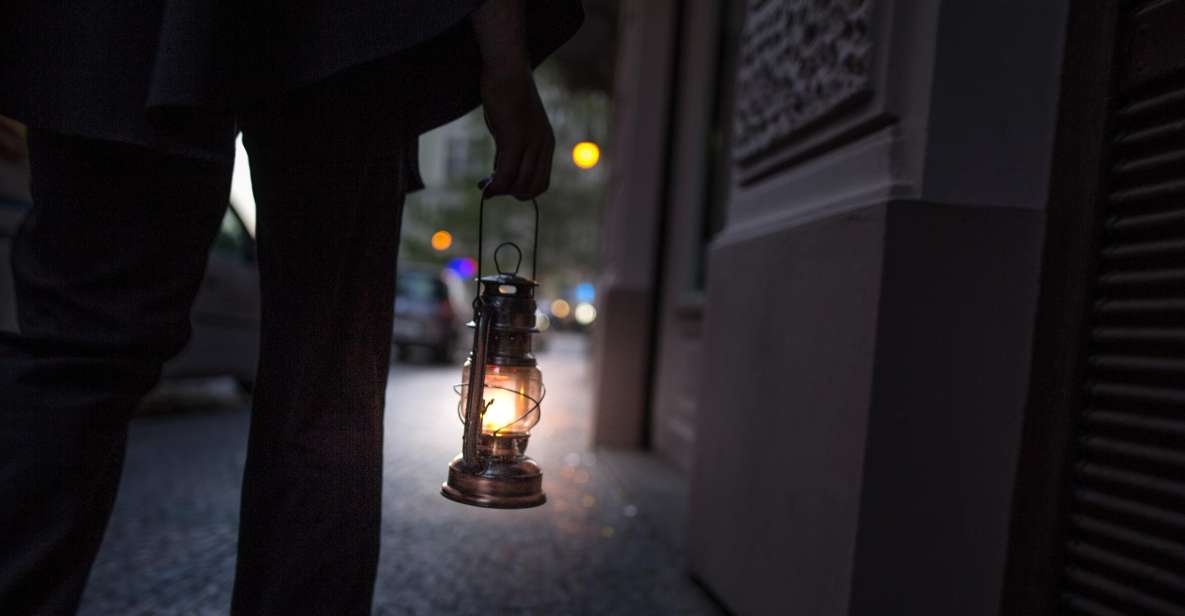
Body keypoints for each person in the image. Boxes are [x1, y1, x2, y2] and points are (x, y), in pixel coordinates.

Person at [0, 1, 583, 614]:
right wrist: (505, 61)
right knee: (324, 382)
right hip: (344, 32)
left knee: (79, 348)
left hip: (122, 29)